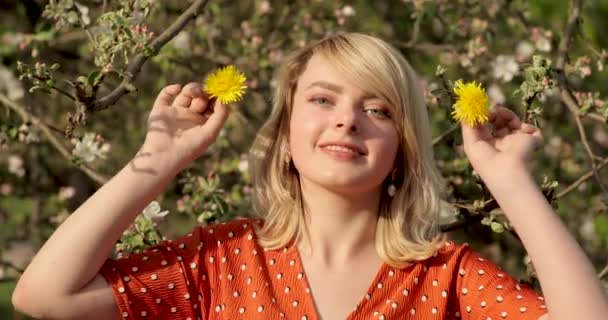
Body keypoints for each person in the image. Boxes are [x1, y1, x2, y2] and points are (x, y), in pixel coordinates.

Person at [11, 32, 608, 320]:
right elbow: (44, 295)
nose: (348, 121)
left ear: (401, 147)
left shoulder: (446, 276)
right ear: (286, 136)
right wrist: (158, 160)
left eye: (378, 110)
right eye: (323, 100)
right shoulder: (218, 263)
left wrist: (510, 183)